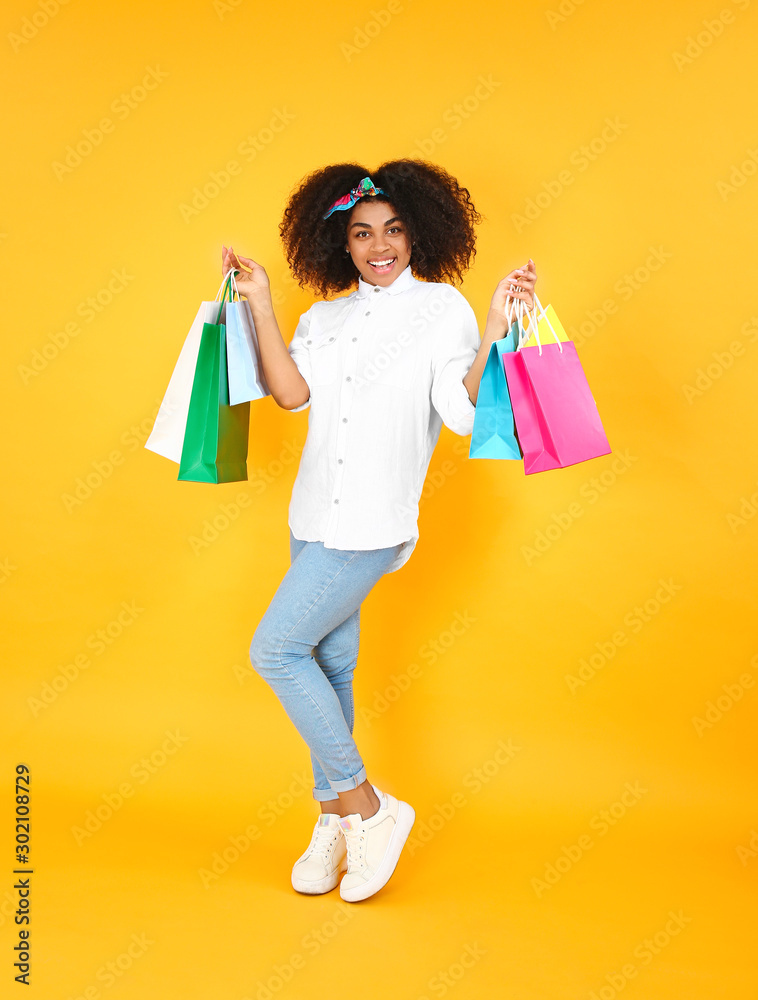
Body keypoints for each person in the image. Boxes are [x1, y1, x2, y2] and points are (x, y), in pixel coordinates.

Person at [221, 159, 536, 903]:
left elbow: (462, 411)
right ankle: (332, 821)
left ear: (419, 232)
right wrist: (262, 303)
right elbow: (291, 395)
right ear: (340, 242)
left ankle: (369, 807)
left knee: (275, 649)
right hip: (311, 514)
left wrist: (492, 329)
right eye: (362, 233)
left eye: (393, 230)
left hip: (371, 521)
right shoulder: (322, 318)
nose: (379, 245)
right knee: (328, 668)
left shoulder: (441, 310)